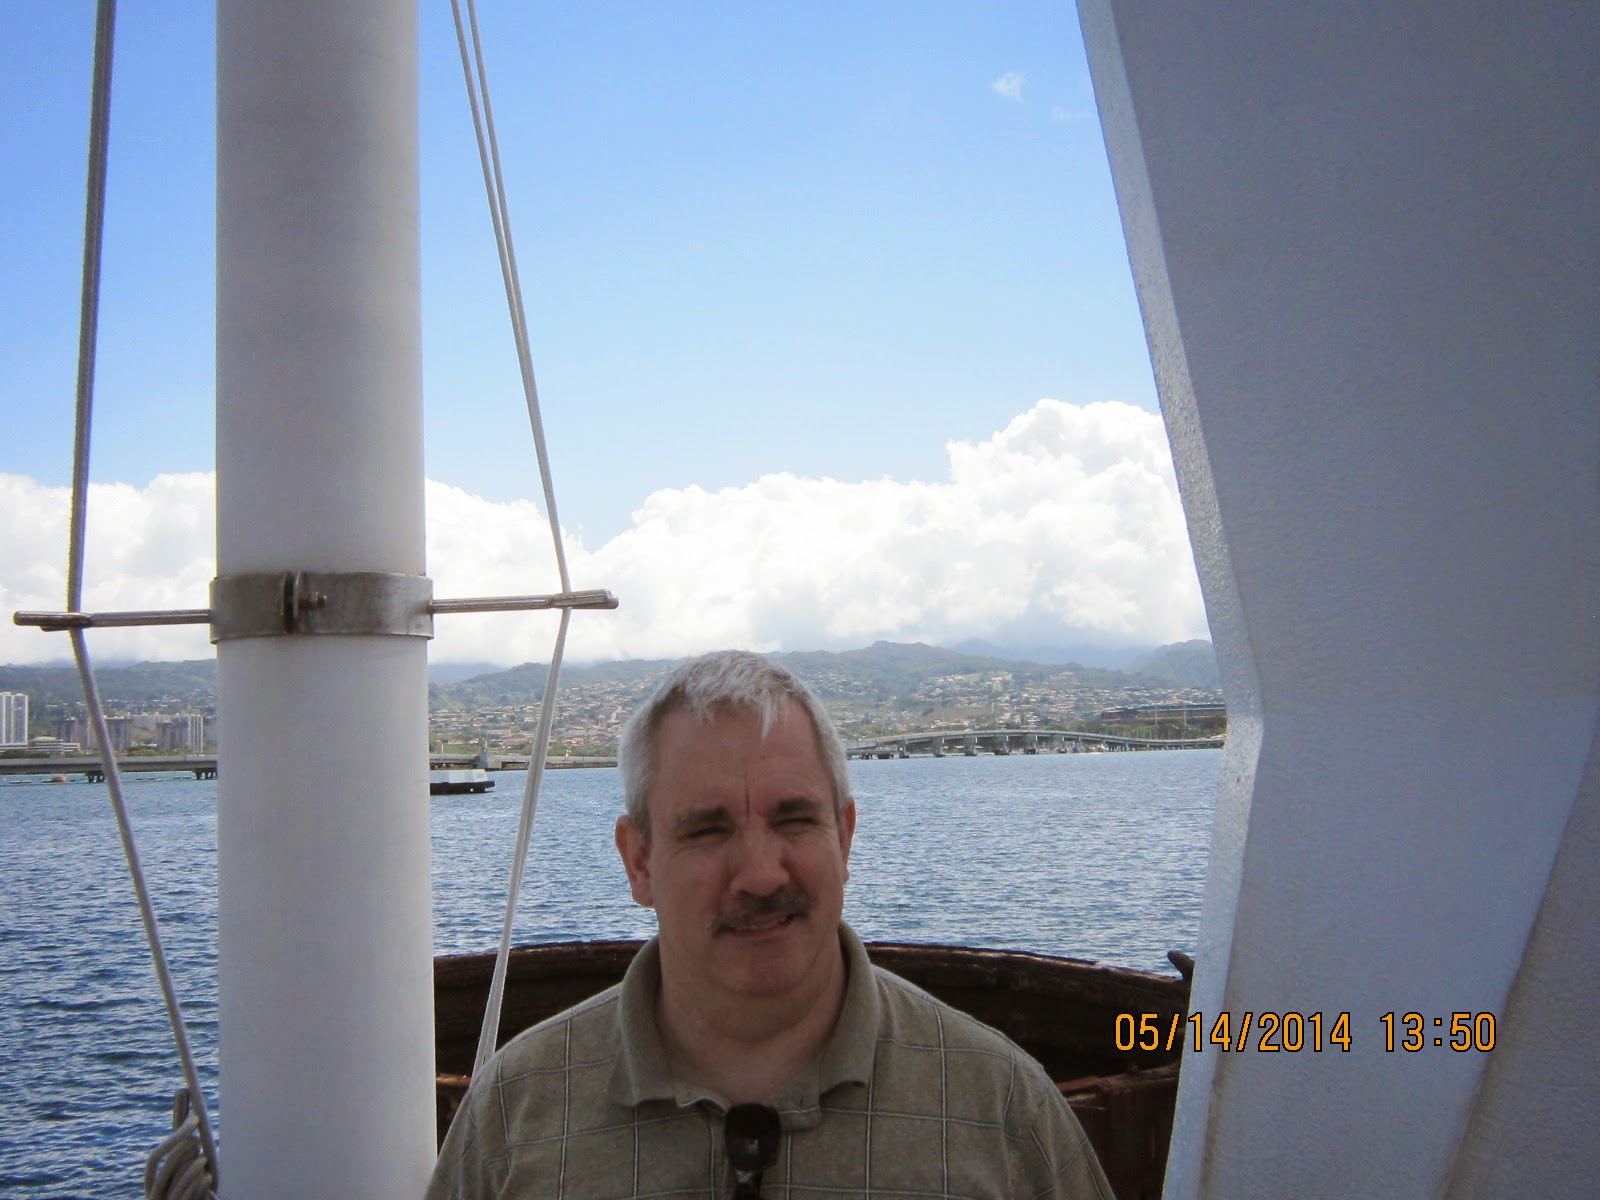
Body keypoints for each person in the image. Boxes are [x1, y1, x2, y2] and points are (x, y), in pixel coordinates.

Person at [427, 650, 1112, 1199]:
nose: (760, 873)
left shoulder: (999, 1107)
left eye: (793, 819)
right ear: (639, 862)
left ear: (843, 839)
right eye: (707, 829)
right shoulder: (516, 1115)